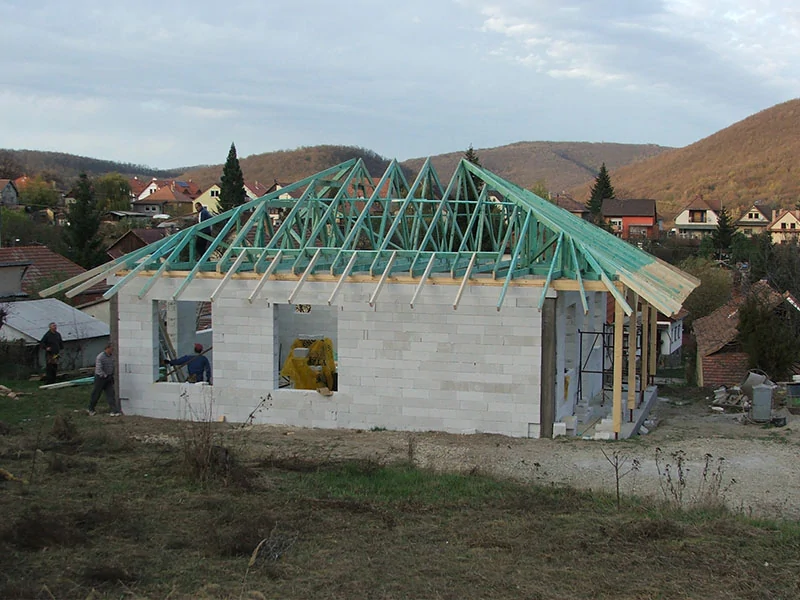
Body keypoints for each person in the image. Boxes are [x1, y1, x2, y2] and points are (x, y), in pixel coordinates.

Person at [88, 343, 121, 416]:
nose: (112, 350)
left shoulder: (111, 356)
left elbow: (113, 366)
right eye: (111, 349)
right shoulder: (100, 357)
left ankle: (114, 410)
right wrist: (105, 376)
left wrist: (112, 375)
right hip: (100, 378)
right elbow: (99, 369)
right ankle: (91, 409)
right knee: (96, 393)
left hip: (109, 377)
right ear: (107, 348)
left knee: (110, 394)